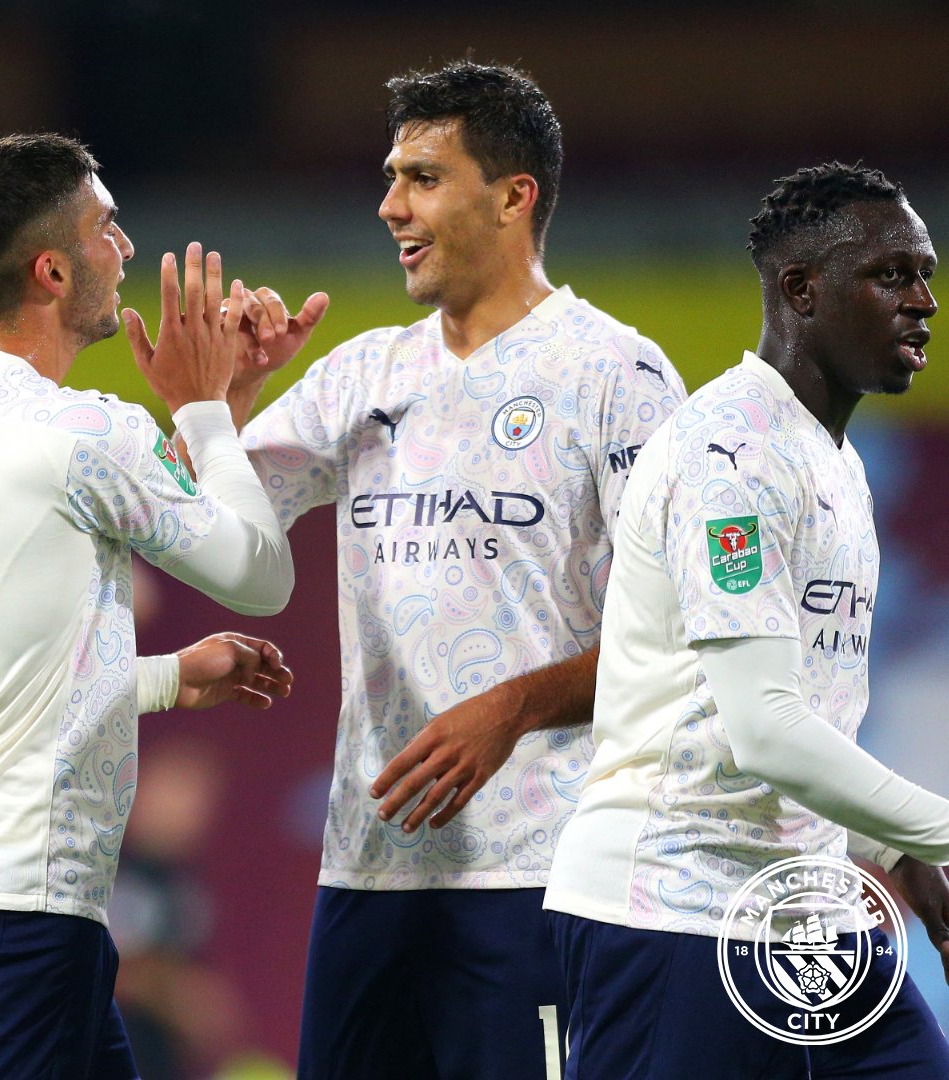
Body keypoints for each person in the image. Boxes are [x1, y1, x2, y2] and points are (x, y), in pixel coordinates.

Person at [225, 61, 686, 1079]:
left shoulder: (619, 374)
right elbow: (207, 532)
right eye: (392, 178)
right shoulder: (363, 373)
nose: (391, 206)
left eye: (424, 178)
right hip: (368, 869)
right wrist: (229, 399)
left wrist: (513, 707)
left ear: (514, 197)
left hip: (543, 870)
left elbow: (683, 640)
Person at [0, 133, 295, 1080]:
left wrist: (169, 677)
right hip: (13, 914)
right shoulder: (79, 431)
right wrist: (204, 411)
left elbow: (7, 685)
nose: (127, 247)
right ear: (53, 271)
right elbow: (262, 575)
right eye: (107, 225)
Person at [543, 162, 949, 1079]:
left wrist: (899, 853)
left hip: (807, 913)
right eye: (890, 275)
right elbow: (764, 731)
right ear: (800, 291)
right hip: (672, 911)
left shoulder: (833, 460)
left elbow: (810, 713)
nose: (923, 301)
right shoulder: (731, 455)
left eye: (924, 274)